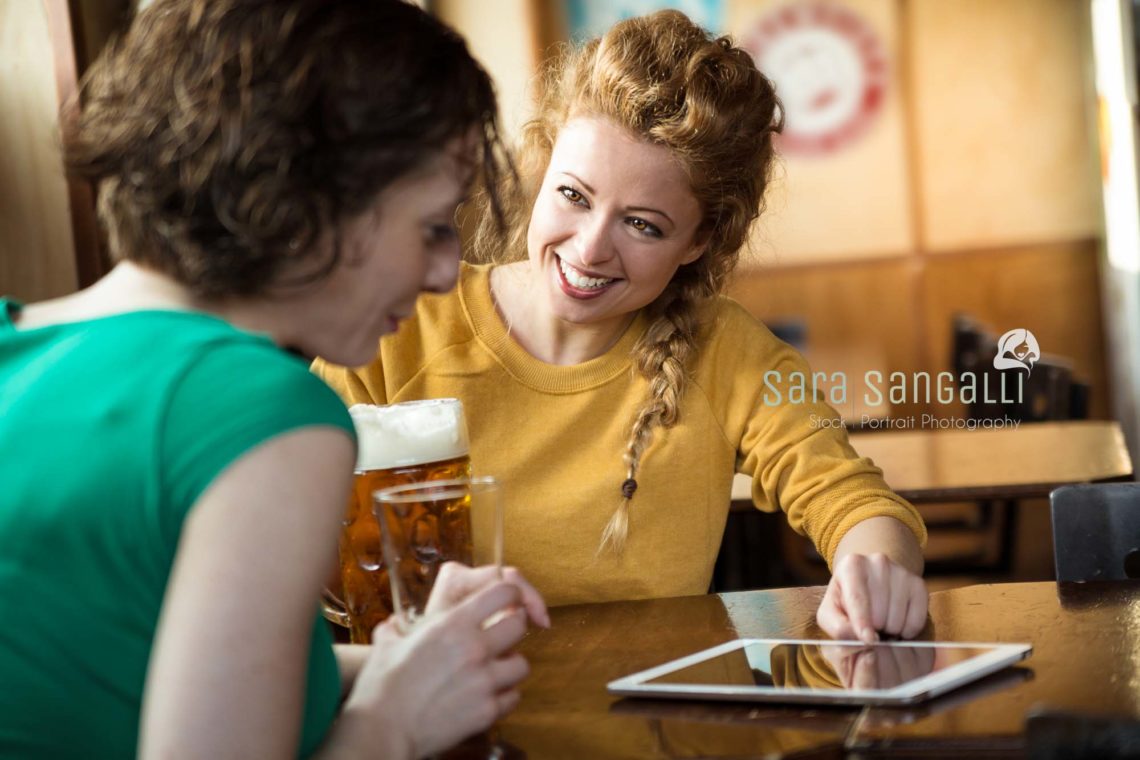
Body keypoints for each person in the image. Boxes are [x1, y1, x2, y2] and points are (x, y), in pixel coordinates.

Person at [0, 1, 549, 758]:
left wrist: (400, 665)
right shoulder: (268, 412)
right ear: (307, 202)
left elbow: (113, 667)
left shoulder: (16, 344)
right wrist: (393, 719)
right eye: (429, 227)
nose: (443, 272)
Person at [313, 9, 928, 644]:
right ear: (543, 167)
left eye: (642, 224)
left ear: (699, 241)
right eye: (573, 196)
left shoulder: (729, 353)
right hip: (431, 715)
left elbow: (856, 501)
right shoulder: (395, 325)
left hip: (651, 728)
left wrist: (874, 570)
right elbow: (287, 540)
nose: (589, 249)